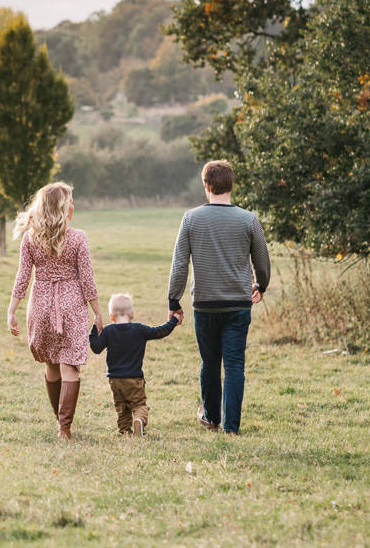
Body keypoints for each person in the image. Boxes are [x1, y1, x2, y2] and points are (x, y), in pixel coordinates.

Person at [168, 160, 270, 434]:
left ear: (207, 185)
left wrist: (173, 301)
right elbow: (262, 259)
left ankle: (211, 417)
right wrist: (261, 284)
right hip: (238, 304)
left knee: (210, 362)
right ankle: (231, 427)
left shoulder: (191, 218)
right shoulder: (249, 219)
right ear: (231, 185)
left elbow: (179, 265)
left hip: (204, 305)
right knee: (235, 363)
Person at [6, 182, 104, 440]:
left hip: (40, 306)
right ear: (63, 208)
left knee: (51, 364)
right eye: (71, 200)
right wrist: (97, 312)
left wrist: (12, 310)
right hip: (72, 306)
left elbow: (23, 276)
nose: (73, 204)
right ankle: (65, 427)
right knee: (70, 366)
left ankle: (59, 422)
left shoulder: (30, 238)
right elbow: (87, 279)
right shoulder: (78, 237)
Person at [88, 293, 178, 436]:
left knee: (121, 407)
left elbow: (96, 348)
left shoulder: (108, 331)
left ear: (111, 316)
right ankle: (139, 420)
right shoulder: (139, 329)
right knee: (139, 405)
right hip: (134, 379)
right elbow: (161, 331)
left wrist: (94, 329)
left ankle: (125, 430)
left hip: (115, 380)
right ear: (132, 315)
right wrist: (174, 320)